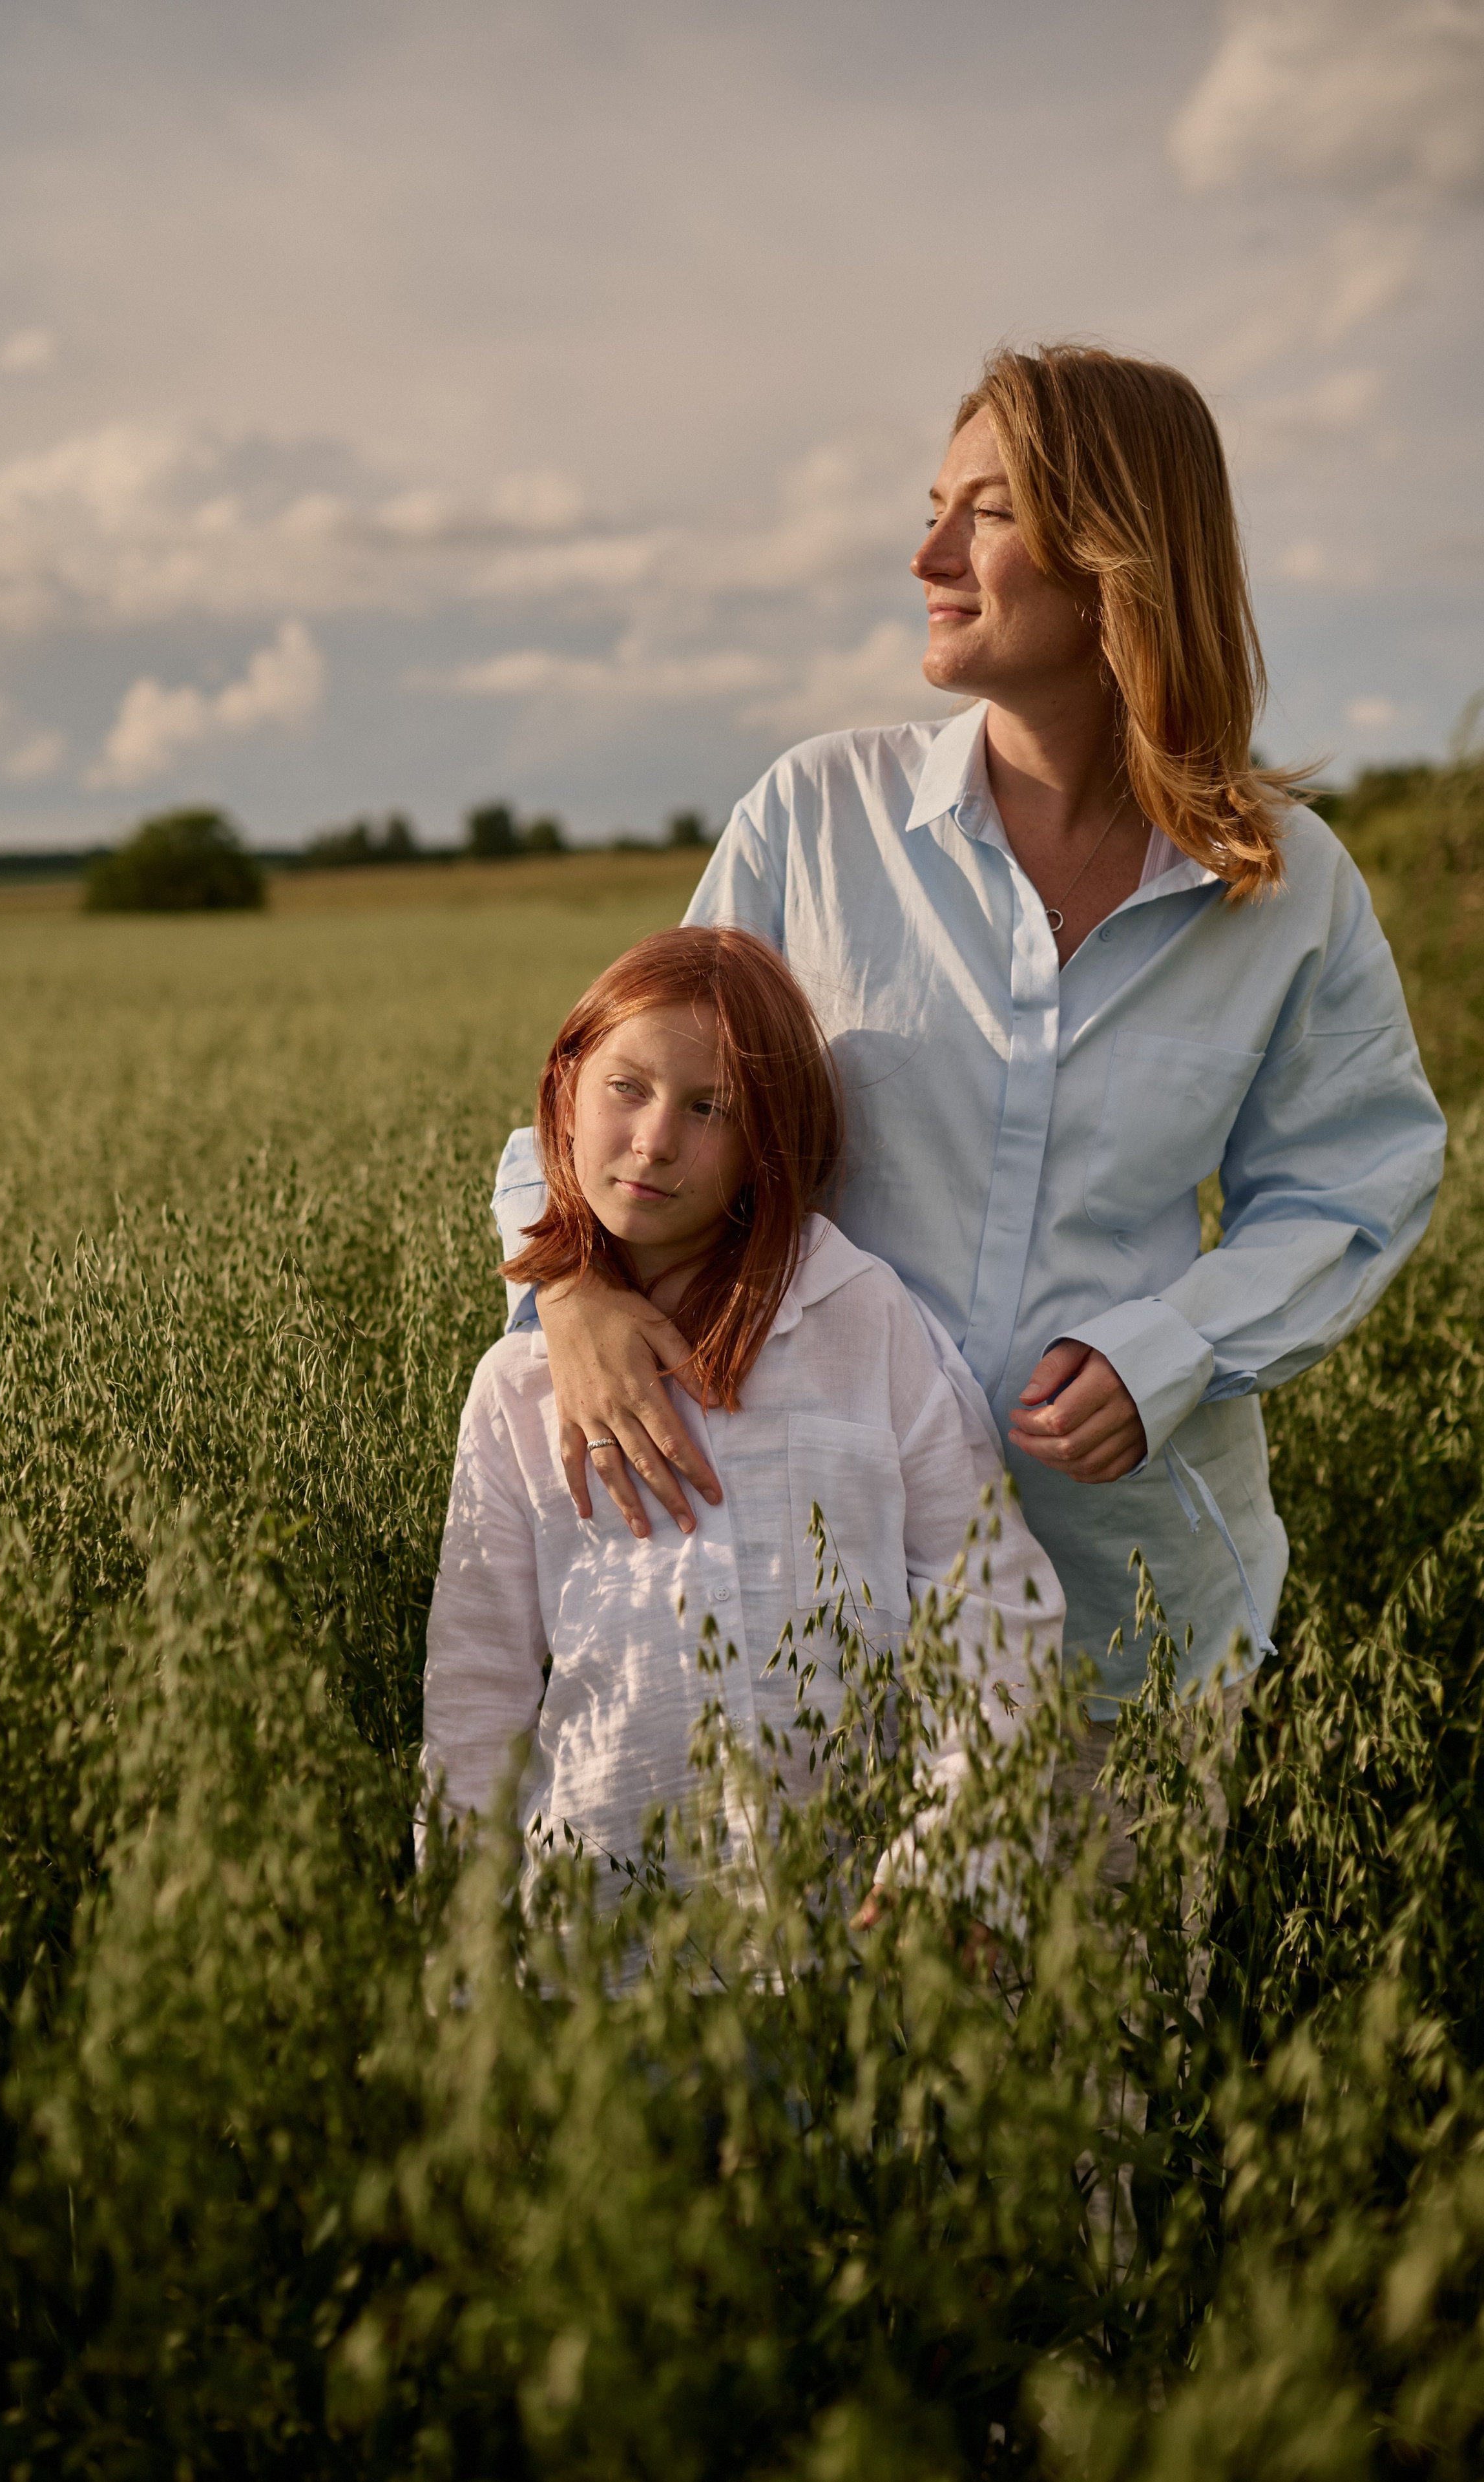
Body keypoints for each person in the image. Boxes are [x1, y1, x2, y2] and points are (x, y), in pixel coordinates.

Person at [496, 346, 1446, 1797]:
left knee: (1096, 2027)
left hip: (1126, 1614)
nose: (927, 552)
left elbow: (1356, 1180)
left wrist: (1167, 1349)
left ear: (1114, 558)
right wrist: (563, 1284)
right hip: (808, 1615)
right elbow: (612, 1104)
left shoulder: (1282, 883)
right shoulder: (816, 817)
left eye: (984, 515)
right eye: (933, 506)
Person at [420, 928, 1063, 1881]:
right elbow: (477, 1697)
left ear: (766, 1147)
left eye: (708, 1108)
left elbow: (994, 1613)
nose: (654, 1140)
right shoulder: (517, 1385)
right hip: (598, 1948)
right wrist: (464, 1959)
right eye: (626, 1088)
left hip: (854, 1933)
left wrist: (957, 1863)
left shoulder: (863, 1320)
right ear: (564, 1093)